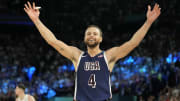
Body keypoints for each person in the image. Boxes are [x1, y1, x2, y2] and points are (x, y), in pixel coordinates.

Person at [24, 1, 161, 101]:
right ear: (84, 38)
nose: (91, 36)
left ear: (100, 39)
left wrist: (148, 22)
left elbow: (133, 43)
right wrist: (36, 21)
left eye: (95, 34)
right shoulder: (77, 55)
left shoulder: (109, 56)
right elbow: (53, 41)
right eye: (88, 33)